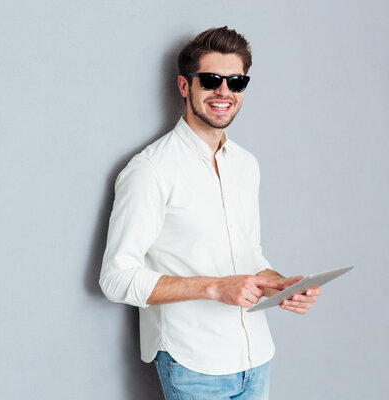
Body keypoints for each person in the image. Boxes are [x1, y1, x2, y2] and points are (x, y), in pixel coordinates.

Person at [99, 26, 322, 400]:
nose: (224, 92)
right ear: (185, 86)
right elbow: (116, 278)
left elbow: (247, 252)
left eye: (236, 82)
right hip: (193, 361)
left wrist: (281, 285)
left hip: (256, 355)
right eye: (211, 80)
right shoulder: (151, 170)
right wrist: (214, 287)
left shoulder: (246, 165)